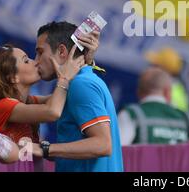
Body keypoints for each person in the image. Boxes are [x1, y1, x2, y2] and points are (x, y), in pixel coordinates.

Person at [32, 21, 123, 172]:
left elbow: (103, 144)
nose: (36, 61)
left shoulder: (80, 85)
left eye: (40, 52)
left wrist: (47, 149)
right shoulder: (79, 82)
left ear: (62, 52)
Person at [0, 44, 85, 144]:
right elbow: (53, 111)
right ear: (13, 78)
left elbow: (65, 98)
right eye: (26, 61)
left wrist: (85, 60)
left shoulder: (27, 101)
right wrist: (64, 78)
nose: (36, 62)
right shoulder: (2, 106)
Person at [118, 67, 189, 145]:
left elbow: (118, 150)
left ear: (138, 91)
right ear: (167, 91)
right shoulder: (188, 120)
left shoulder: (130, 115)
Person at [145, 47, 189, 112]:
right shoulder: (175, 89)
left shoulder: (164, 92)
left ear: (163, 71)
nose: (149, 68)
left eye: (154, 66)